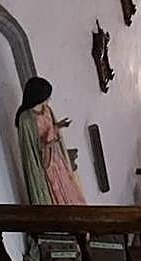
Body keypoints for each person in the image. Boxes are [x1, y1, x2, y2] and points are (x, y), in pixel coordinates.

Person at [15, 77, 87, 207]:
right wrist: (52, 134)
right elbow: (32, 148)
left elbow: (52, 130)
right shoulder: (26, 120)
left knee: (69, 190)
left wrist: (58, 127)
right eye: (46, 96)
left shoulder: (47, 110)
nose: (48, 99)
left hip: (57, 160)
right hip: (44, 165)